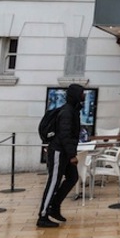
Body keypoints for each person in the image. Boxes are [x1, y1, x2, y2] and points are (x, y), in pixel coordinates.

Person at [37, 83, 84, 228]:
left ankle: (54, 207)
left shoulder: (73, 111)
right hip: (58, 152)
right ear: (75, 95)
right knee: (53, 182)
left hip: (65, 151)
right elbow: (65, 135)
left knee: (72, 177)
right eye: (81, 93)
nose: (83, 96)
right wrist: (72, 155)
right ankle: (43, 215)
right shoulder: (67, 112)